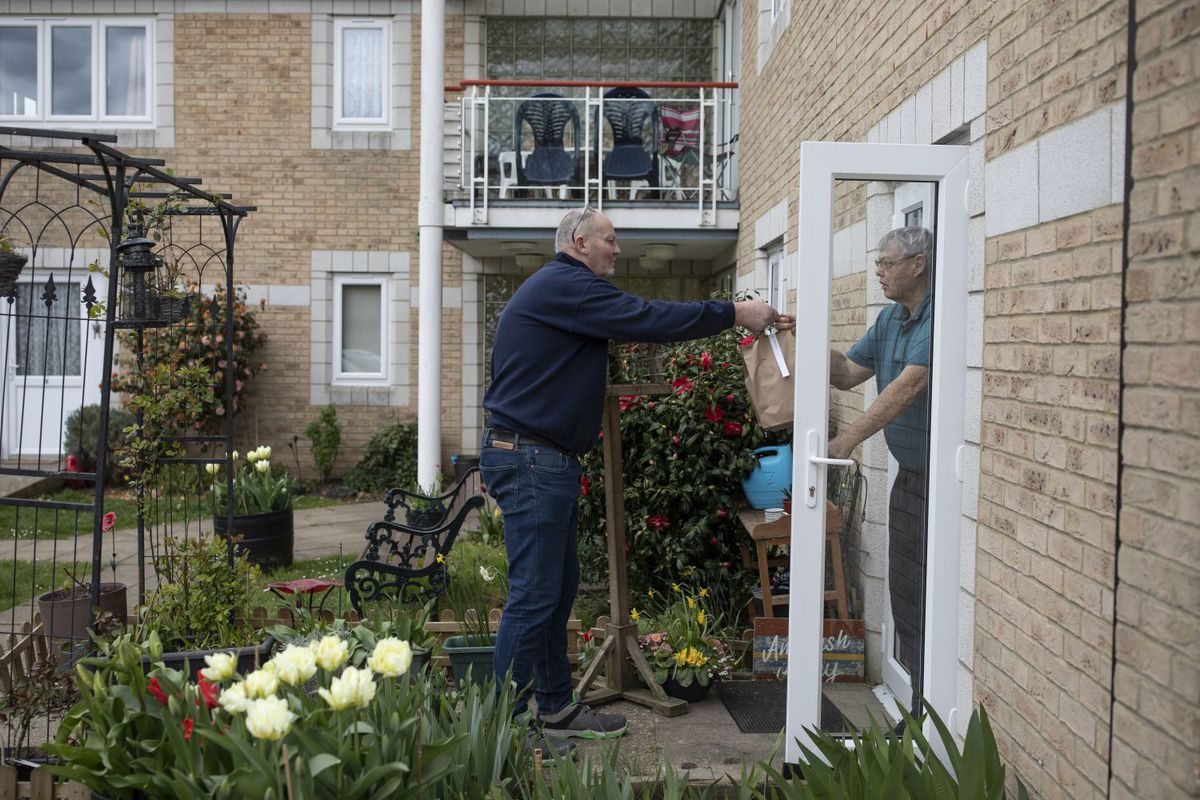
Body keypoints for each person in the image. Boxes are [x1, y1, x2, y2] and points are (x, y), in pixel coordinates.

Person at [482, 206, 792, 750]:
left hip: (540, 458)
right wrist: (734, 312)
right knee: (534, 595)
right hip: (532, 459)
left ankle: (555, 709)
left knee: (556, 593)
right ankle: (499, 729)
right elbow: (648, 318)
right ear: (580, 243)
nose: (617, 250)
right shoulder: (567, 287)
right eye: (609, 239)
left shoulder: (564, 291)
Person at [827, 226, 932, 718]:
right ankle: (916, 711)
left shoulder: (938, 317)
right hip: (909, 478)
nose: (879, 271)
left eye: (887, 263)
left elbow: (910, 386)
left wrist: (847, 439)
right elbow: (848, 373)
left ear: (918, 263)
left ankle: (927, 716)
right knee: (906, 596)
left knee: (929, 601)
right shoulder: (890, 319)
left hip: (940, 487)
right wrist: (800, 338)